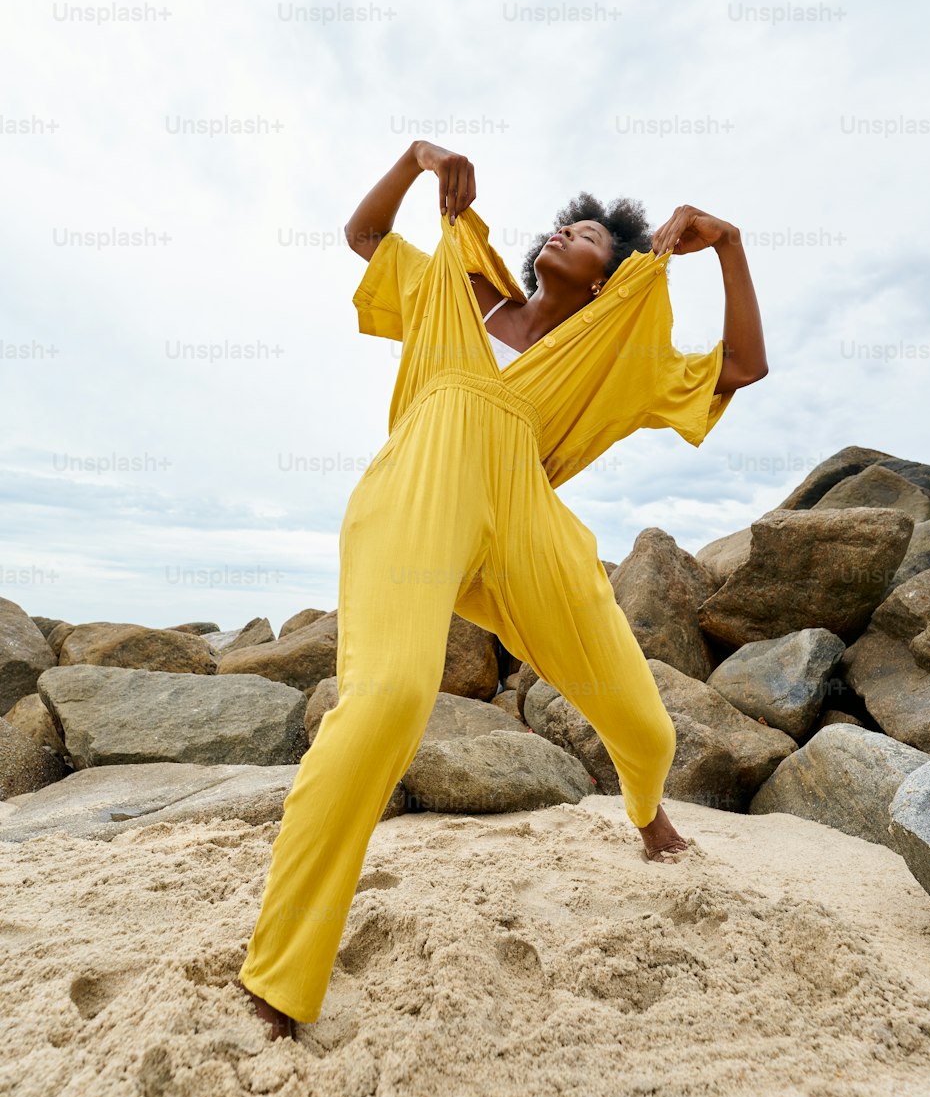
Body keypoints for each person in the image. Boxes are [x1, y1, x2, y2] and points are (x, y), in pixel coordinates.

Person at [237, 139, 768, 1042]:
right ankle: (280, 973)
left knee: (647, 724)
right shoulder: (459, 288)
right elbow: (364, 234)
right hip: (422, 487)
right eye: (566, 223)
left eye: (594, 233)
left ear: (615, 275)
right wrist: (413, 161)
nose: (568, 230)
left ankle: (647, 813)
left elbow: (742, 368)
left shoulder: (615, 354)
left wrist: (729, 244)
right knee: (390, 697)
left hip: (526, 518)